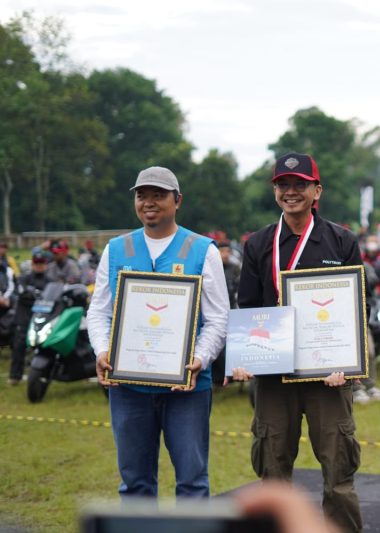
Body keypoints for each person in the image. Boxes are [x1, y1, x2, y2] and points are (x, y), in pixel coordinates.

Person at [235, 152, 363, 533]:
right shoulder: (258, 244)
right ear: (275, 191)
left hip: (328, 376)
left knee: (338, 474)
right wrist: (247, 356)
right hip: (275, 376)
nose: (290, 191)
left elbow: (359, 306)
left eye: (299, 184)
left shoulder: (341, 241)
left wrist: (347, 361)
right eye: (283, 184)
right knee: (273, 471)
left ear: (316, 191)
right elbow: (248, 306)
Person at [87, 166, 229, 498]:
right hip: (128, 388)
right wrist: (102, 350)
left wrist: (200, 359)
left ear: (177, 200)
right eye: (142, 195)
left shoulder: (202, 250)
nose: (148, 202)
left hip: (187, 389)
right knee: (134, 484)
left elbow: (218, 319)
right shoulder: (116, 249)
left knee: (192, 483)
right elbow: (99, 311)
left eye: (158, 195)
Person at [7, 251, 48, 385]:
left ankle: (44, 373)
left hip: (42, 318)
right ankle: (15, 376)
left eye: (41, 263)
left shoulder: (50, 280)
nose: (39, 266)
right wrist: (35, 294)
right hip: (24, 317)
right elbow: (21, 292)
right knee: (19, 346)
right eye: (37, 263)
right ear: (32, 264)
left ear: (46, 264)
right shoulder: (24, 278)